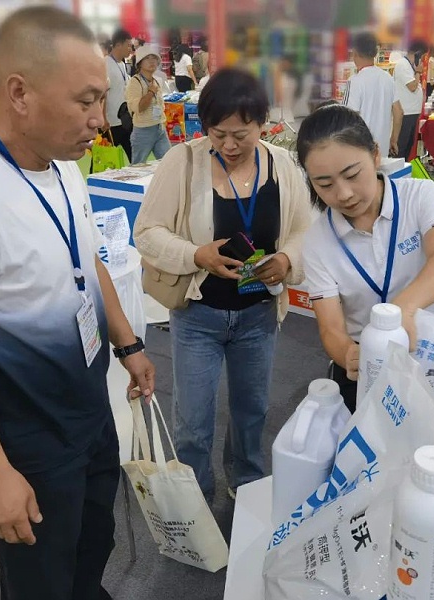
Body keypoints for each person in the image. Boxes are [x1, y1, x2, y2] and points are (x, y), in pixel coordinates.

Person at [0, 7, 156, 599]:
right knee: (39, 578)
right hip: (27, 438)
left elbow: (84, 257)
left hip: (87, 407)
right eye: (86, 100)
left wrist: (127, 343)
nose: (101, 119)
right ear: (18, 92)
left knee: (93, 543)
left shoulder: (62, 164)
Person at [133, 68, 312, 501]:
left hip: (258, 314)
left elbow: (307, 232)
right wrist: (197, 255)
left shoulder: (281, 165)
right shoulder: (184, 161)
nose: (228, 145)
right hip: (198, 315)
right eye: (217, 134)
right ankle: (194, 497)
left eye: (240, 134)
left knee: (252, 412)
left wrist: (287, 259)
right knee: (193, 419)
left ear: (262, 123)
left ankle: (246, 485)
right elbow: (148, 232)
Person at [297, 105, 434, 412]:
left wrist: (402, 311)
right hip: (365, 363)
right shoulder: (318, 240)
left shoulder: (420, 196)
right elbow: (330, 327)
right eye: (325, 184)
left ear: (375, 155)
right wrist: (348, 354)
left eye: (352, 174)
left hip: (428, 355)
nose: (343, 194)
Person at [343, 32, 403, 159]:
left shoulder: (354, 81)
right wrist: (393, 140)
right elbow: (399, 112)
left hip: (360, 152)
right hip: (382, 152)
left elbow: (347, 118)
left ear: (355, 52)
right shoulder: (387, 78)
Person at [125, 45, 170, 164]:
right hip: (143, 131)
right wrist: (150, 92)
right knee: (138, 166)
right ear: (140, 63)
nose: (152, 61)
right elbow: (139, 107)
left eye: (154, 58)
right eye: (148, 58)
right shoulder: (135, 82)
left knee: (168, 163)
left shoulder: (156, 81)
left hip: (159, 127)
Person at [392, 40, 426, 160]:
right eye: (422, 56)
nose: (422, 60)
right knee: (401, 146)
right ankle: (396, 173)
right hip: (405, 112)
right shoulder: (403, 65)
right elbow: (412, 87)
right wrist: (418, 72)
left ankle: (403, 171)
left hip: (412, 112)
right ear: (417, 54)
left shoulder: (410, 66)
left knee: (408, 145)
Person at [104, 29, 133, 160]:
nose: (130, 48)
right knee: (104, 159)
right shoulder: (105, 64)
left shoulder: (122, 64)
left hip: (125, 120)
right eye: (128, 45)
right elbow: (101, 94)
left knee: (135, 156)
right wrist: (103, 118)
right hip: (109, 123)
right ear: (118, 45)